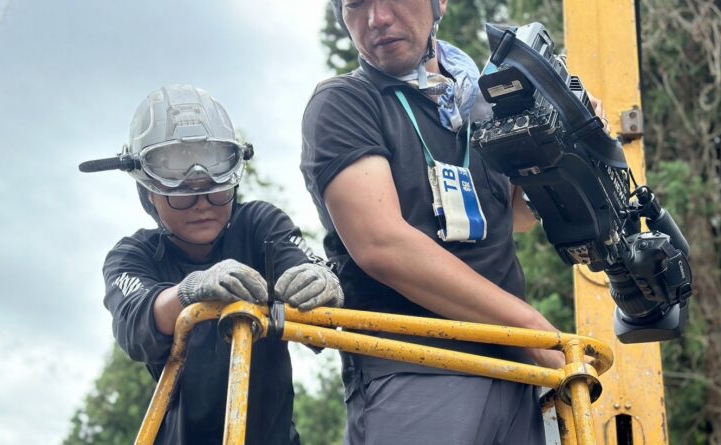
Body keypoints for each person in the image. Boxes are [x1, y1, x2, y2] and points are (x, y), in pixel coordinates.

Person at [301, 1, 608, 444]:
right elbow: (382, 245)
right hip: (414, 368)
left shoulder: (481, 102)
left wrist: (570, 146)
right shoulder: (345, 102)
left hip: (517, 378)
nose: (377, 19)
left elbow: (514, 218)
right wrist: (531, 329)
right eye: (355, 5)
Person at [90, 84, 343, 445]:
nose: (202, 204)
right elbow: (135, 322)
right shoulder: (133, 255)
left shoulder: (259, 225)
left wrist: (323, 282)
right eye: (183, 195)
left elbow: (299, 265)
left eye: (215, 188)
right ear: (149, 192)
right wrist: (191, 291)